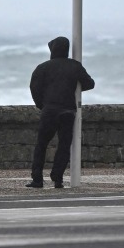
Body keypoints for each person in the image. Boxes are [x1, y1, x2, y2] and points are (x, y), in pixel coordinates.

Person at [27, 36, 94, 188]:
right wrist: (71, 87)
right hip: (68, 111)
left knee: (42, 144)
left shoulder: (42, 67)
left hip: (49, 110)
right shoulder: (74, 66)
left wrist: (41, 104)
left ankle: (37, 179)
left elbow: (34, 87)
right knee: (64, 145)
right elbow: (90, 83)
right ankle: (58, 178)